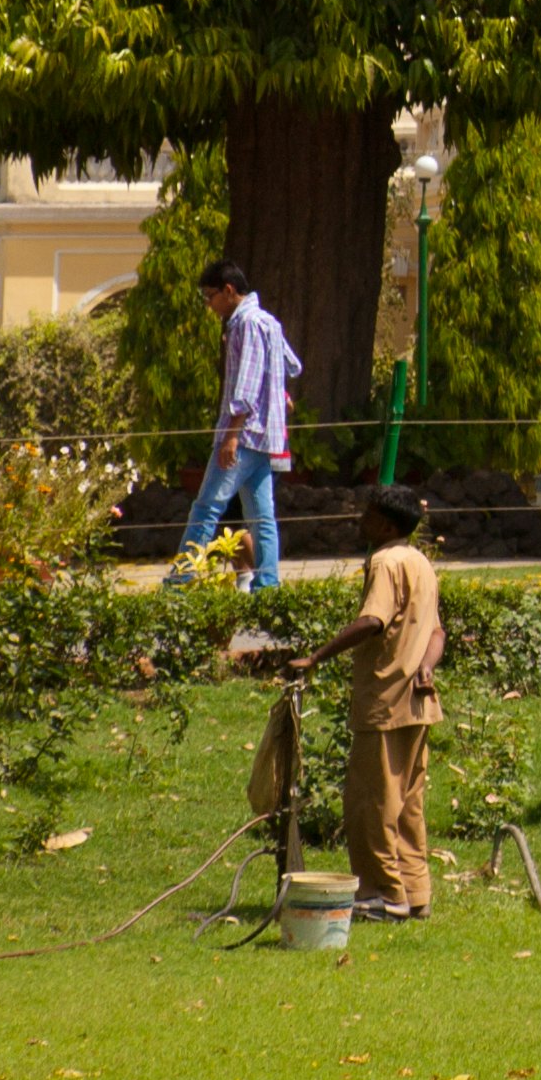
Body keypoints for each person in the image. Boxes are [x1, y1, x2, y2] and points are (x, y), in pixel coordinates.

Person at [288, 486, 445, 917]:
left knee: (370, 804)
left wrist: (316, 657)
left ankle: (383, 894)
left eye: (369, 515)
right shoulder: (421, 562)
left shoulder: (385, 561)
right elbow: (437, 633)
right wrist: (427, 667)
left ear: (388, 525)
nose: (361, 521)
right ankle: (415, 894)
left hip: (385, 701)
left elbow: (372, 620)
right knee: (407, 804)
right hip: (418, 703)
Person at [181, 260, 300, 588]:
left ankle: (178, 582)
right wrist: (277, 393)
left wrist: (231, 436)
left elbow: (245, 387)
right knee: (262, 518)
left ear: (228, 290)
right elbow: (291, 365)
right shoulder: (269, 322)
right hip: (267, 437)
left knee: (205, 509)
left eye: (210, 296)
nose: (209, 305)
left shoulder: (245, 323)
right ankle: (268, 585)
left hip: (243, 434)